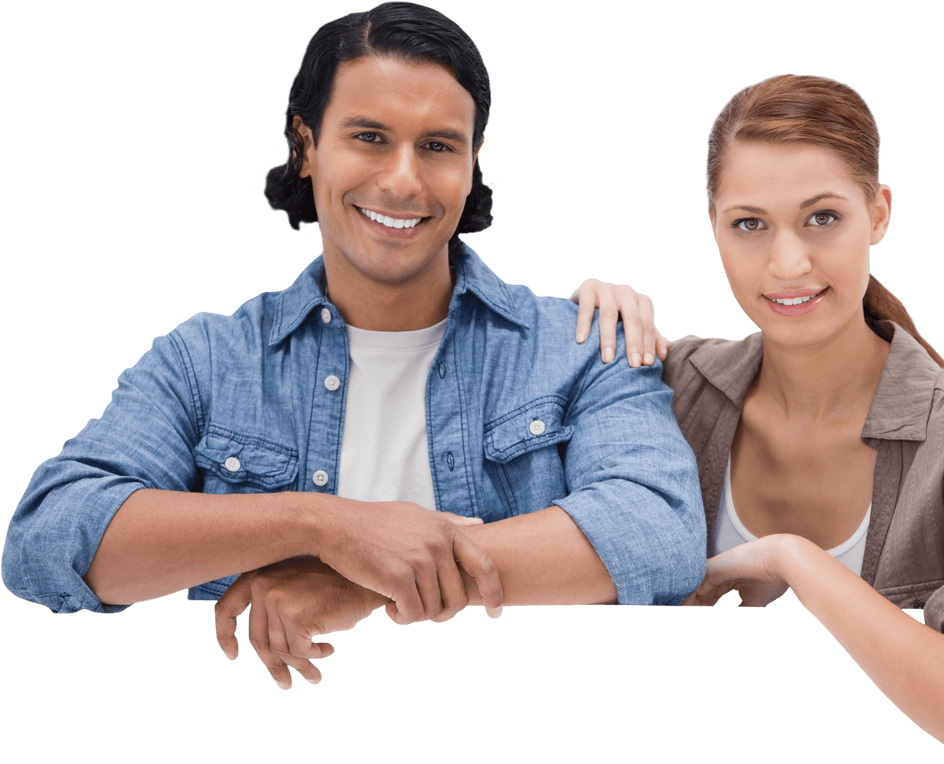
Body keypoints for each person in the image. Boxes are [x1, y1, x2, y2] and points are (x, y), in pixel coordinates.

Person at [1, 2, 705, 691]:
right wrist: (325, 527)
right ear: (306, 145)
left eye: (438, 146)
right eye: (369, 136)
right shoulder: (207, 362)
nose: (402, 179)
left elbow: (661, 534)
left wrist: (367, 582)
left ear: (472, 161)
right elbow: (47, 539)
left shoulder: (582, 347)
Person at [572, 74, 944, 764]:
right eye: (750, 224)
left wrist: (795, 562)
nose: (788, 263)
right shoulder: (668, 384)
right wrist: (570, 334)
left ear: (878, 213)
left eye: (822, 217)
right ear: (713, 224)